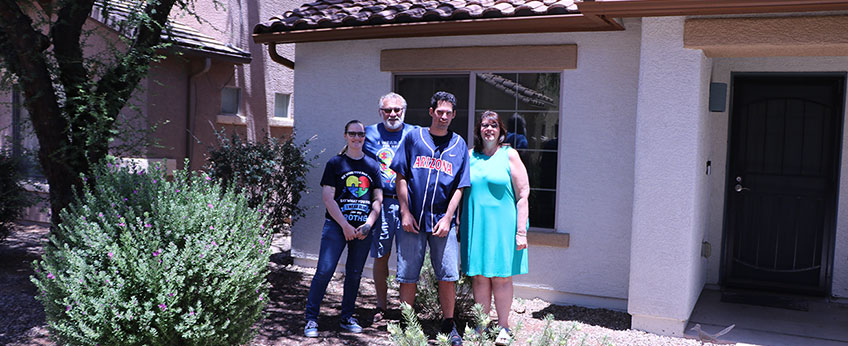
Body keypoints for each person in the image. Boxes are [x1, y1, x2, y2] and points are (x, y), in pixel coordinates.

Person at [390, 91, 470, 346]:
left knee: (447, 274)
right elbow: (400, 176)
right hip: (412, 219)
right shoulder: (414, 138)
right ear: (431, 112)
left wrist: (448, 218)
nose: (444, 116)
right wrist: (404, 212)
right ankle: (407, 323)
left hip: (441, 222)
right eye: (439, 111)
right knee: (408, 273)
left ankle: (449, 324)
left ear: (454, 115)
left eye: (448, 113)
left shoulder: (458, 145)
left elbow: (460, 187)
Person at [304, 120, 383, 338]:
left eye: (361, 134)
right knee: (324, 271)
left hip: (363, 230)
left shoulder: (372, 165)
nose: (357, 138)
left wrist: (368, 224)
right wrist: (345, 226)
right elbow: (328, 198)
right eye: (352, 134)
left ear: (365, 137)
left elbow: (377, 199)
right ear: (345, 135)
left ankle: (347, 317)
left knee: (355, 274)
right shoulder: (335, 163)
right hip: (336, 227)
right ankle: (311, 318)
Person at [460, 110, 529, 345]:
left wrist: (521, 231)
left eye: (493, 125)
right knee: (479, 277)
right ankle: (481, 325)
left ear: (500, 130)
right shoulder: (469, 156)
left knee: (501, 277)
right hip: (476, 224)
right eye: (484, 125)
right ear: (478, 130)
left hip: (503, 227)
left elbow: (523, 194)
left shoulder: (510, 155)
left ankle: (503, 327)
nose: (489, 129)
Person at [364, 92, 418, 322]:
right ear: (380, 112)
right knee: (381, 256)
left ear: (404, 111)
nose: (393, 114)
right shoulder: (368, 133)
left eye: (397, 110)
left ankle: (407, 312)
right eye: (388, 110)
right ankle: (381, 306)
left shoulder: (415, 133)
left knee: (409, 258)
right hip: (382, 203)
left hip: (408, 204)